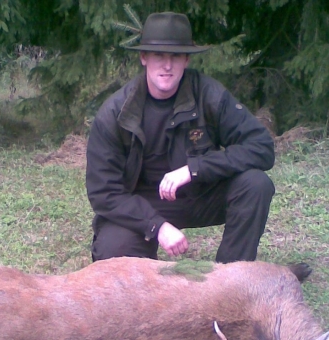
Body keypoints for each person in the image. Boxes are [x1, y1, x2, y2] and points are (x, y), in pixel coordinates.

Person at [86, 12, 275, 263]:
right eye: (159, 56)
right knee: (111, 254)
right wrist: (157, 226)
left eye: (175, 56)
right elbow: (103, 193)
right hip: (145, 202)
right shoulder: (115, 112)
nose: (167, 65)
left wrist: (194, 169)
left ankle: (231, 279)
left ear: (186, 60)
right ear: (144, 58)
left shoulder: (209, 95)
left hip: (200, 193)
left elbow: (261, 147)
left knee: (256, 184)